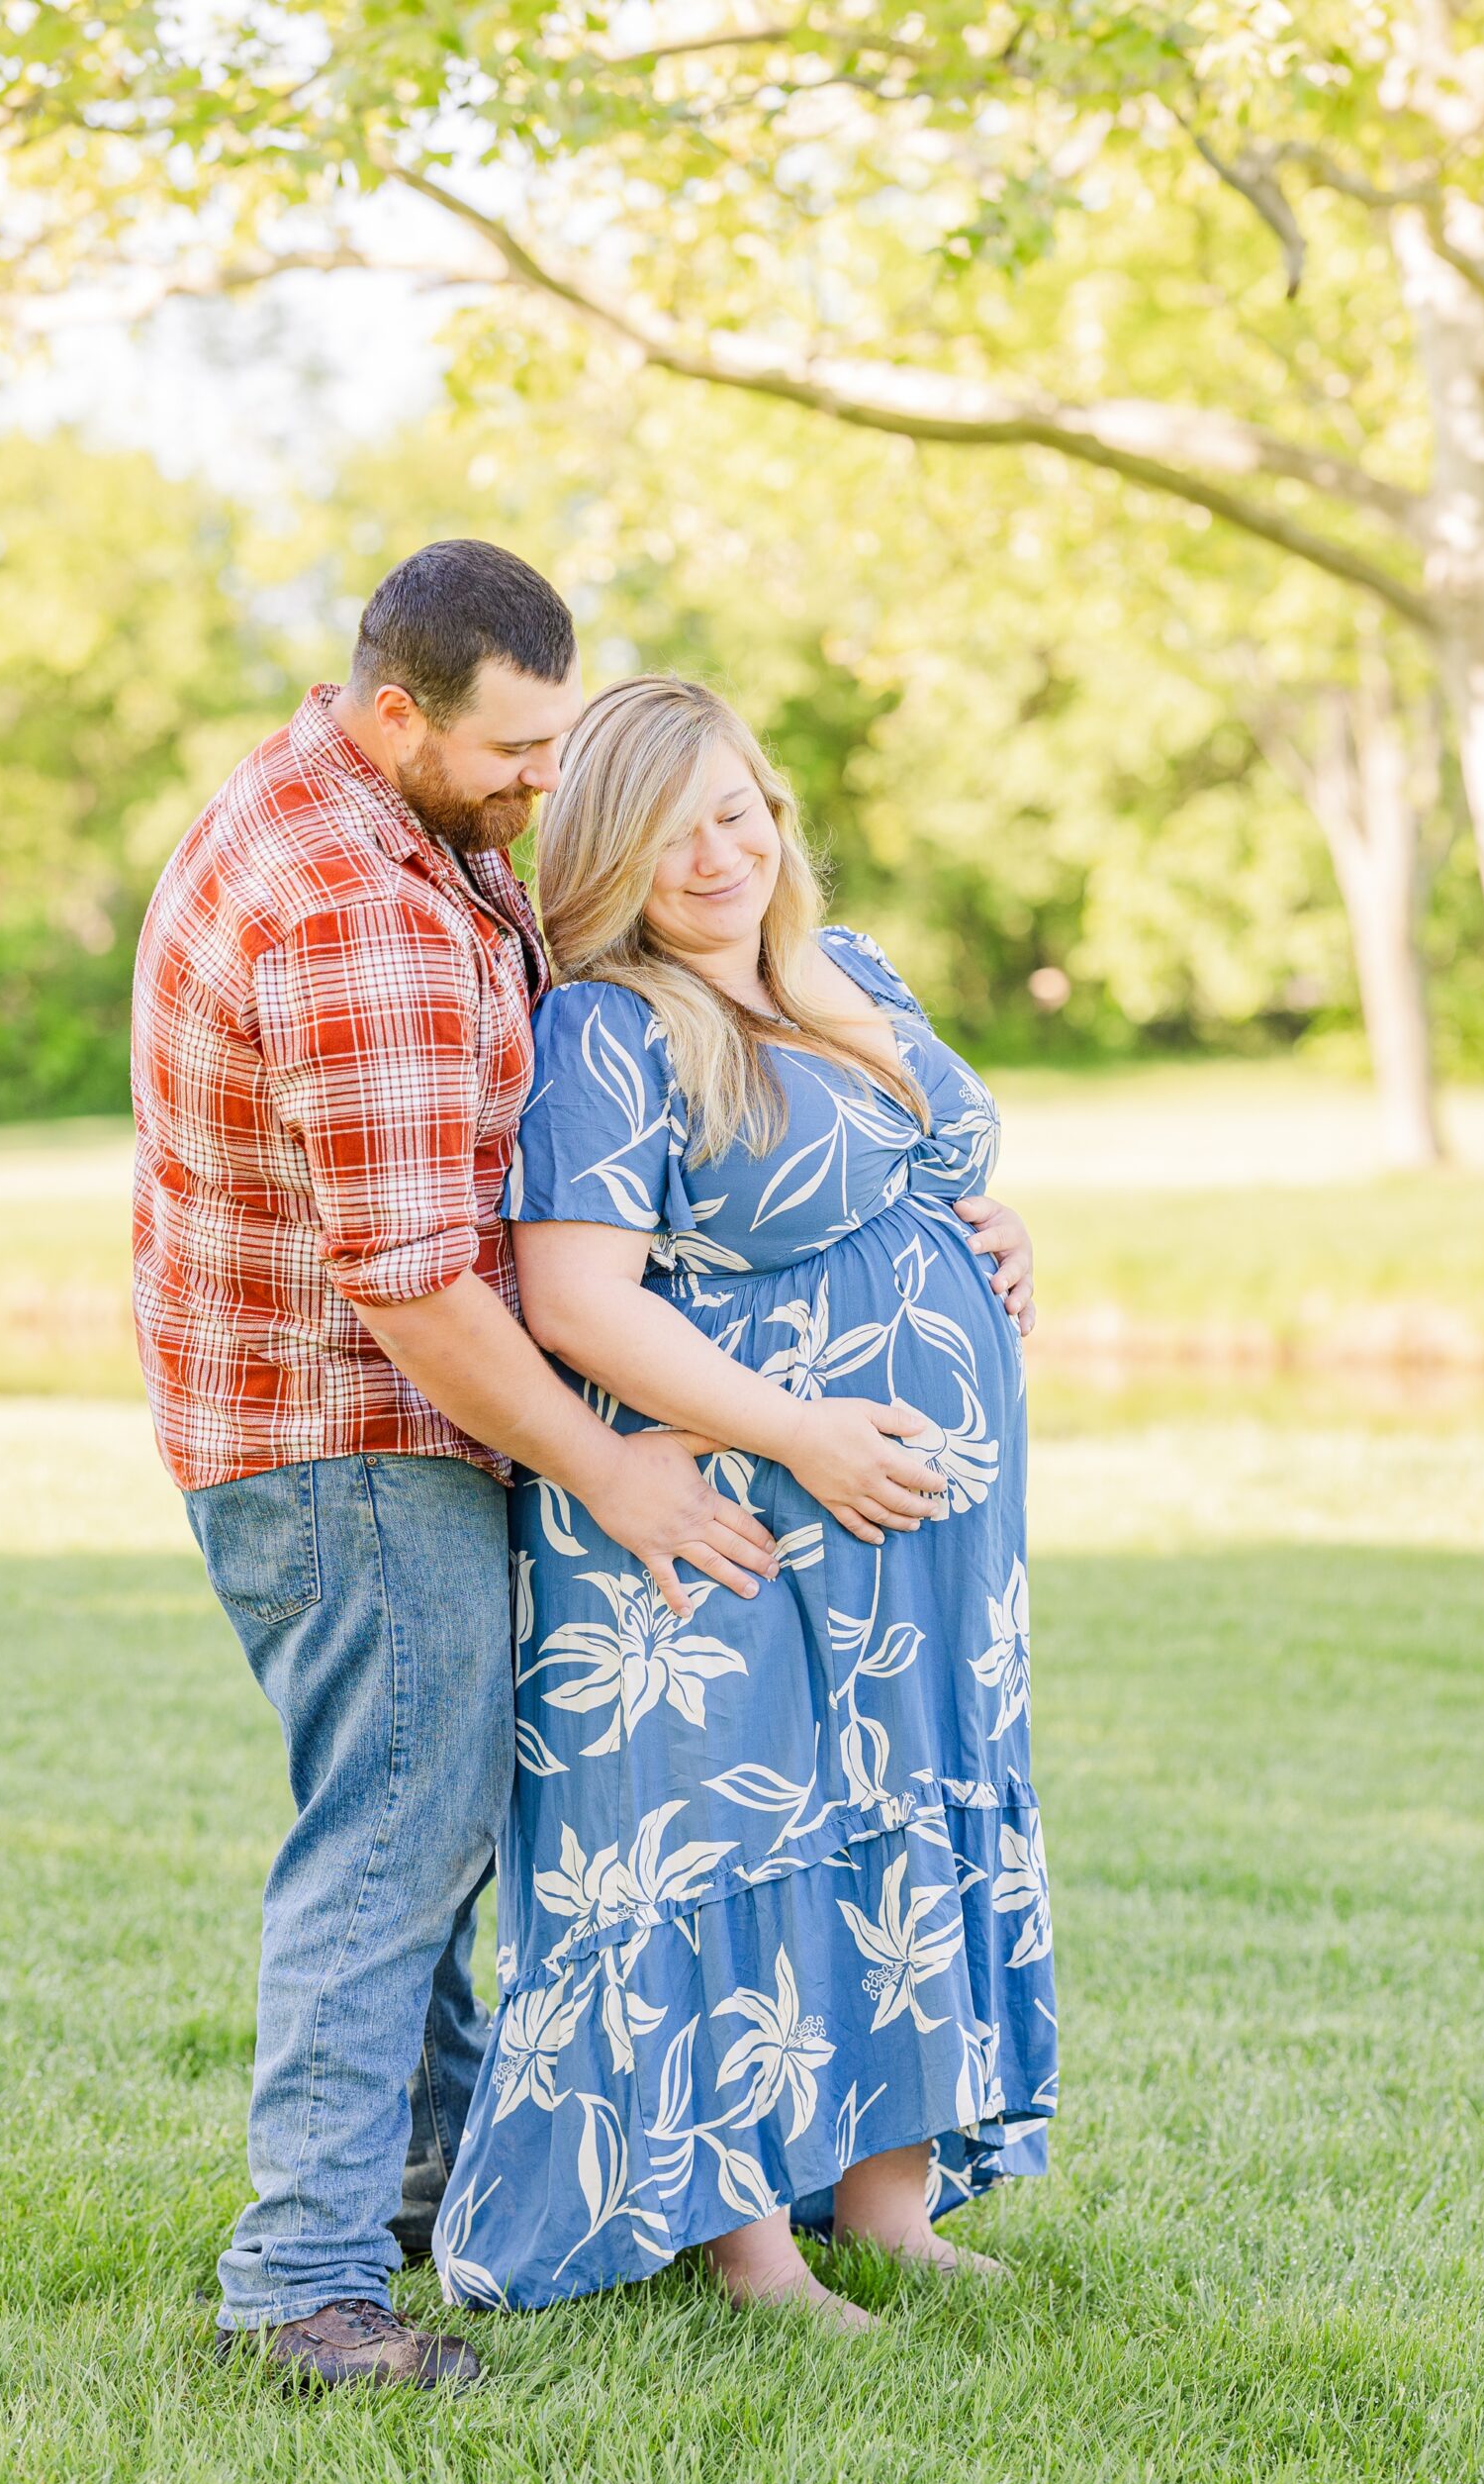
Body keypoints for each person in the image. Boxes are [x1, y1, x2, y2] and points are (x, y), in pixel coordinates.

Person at [131, 549, 793, 2390]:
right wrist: (619, 1476)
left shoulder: (386, 807)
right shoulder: (349, 904)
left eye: (555, 740)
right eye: (513, 751)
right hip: (347, 1438)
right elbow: (414, 1286)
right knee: (397, 1841)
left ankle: (422, 2185)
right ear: (397, 710)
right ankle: (305, 2287)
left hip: (333, 1420)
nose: (540, 785)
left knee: (416, 1830)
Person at [432, 677, 1057, 2328]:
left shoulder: (850, 974)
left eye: (734, 809)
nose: (712, 854)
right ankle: (748, 2245)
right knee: (740, 1822)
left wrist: (987, 1241)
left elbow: (924, 1168)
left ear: (774, 808)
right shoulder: (607, 1030)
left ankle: (886, 2201)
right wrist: (804, 1434)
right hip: (731, 1505)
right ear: (603, 859)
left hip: (917, 1529)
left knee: (902, 1804)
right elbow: (578, 1299)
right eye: (663, 830)